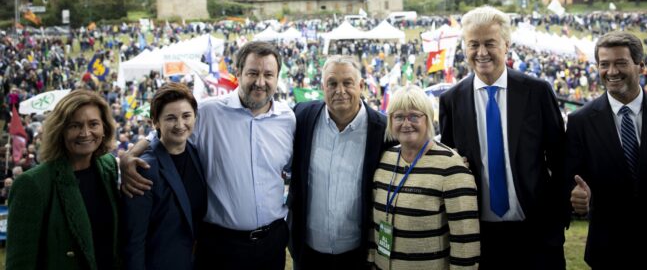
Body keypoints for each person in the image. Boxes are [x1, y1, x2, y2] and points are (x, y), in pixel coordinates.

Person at [121, 41, 295, 270]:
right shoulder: (208, 112)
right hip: (221, 246)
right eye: (253, 73)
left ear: (277, 77)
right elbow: (169, 133)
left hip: (271, 243)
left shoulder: (288, 119)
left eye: (268, 74)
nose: (260, 82)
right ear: (238, 73)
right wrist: (130, 155)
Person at [439, 6, 567, 269]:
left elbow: (561, 157)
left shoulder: (537, 92)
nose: (482, 52)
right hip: (480, 237)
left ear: (506, 45)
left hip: (537, 233)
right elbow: (449, 164)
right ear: (465, 47)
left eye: (490, 43)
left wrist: (559, 213)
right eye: (474, 44)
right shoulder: (452, 100)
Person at [566, 31, 647, 270]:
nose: (612, 71)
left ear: (640, 66)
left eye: (621, 63)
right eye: (604, 64)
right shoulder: (580, 122)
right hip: (610, 251)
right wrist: (576, 196)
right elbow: (571, 178)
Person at [289, 55, 391, 269]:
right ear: (322, 86)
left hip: (358, 254)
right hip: (308, 254)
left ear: (361, 85)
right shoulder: (302, 116)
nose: (340, 90)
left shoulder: (383, 130)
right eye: (332, 83)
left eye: (347, 83)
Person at [370, 85, 480, 270]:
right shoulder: (385, 160)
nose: (406, 123)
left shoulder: (451, 166)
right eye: (398, 117)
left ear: (428, 119)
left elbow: (465, 242)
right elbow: (374, 223)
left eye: (414, 116)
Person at [6, 89, 119, 269]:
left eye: (93, 124)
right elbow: (20, 262)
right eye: (75, 125)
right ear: (60, 130)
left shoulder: (109, 166)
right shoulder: (33, 184)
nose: (85, 133)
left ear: (104, 128)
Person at [121, 82, 207, 270]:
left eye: (186, 116)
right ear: (155, 122)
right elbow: (134, 240)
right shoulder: (144, 168)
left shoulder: (195, 152)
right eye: (170, 118)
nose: (180, 124)